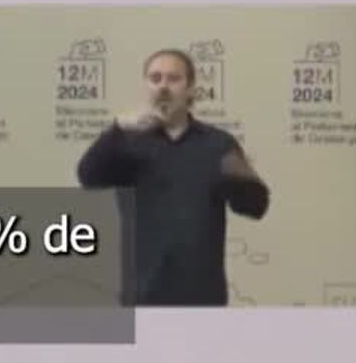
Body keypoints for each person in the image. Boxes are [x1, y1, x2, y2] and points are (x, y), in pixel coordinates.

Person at [76, 48, 270, 306]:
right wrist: (117, 129)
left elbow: (255, 207)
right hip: (141, 295)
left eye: (173, 79)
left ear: (190, 89)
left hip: (201, 298)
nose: (163, 87)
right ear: (146, 86)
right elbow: (88, 177)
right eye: (155, 78)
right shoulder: (126, 142)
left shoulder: (218, 145)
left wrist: (242, 180)